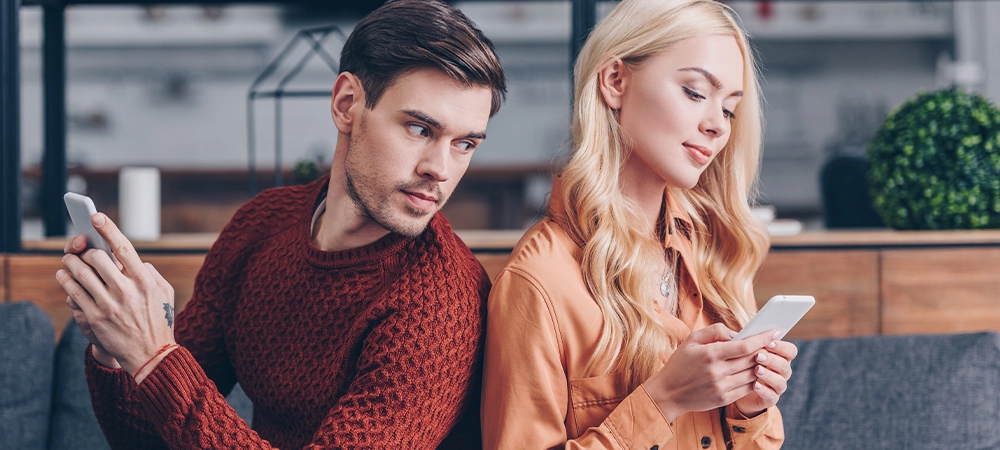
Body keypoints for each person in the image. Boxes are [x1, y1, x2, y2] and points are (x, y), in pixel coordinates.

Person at [55, 1, 506, 448]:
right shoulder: (261, 226)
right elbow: (145, 440)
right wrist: (115, 347)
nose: (440, 169)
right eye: (420, 129)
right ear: (347, 104)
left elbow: (163, 374)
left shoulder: (440, 308)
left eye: (465, 144)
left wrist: (155, 357)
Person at [481, 0, 793, 448]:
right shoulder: (538, 282)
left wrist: (749, 410)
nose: (717, 126)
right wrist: (663, 401)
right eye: (695, 92)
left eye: (729, 109)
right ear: (615, 81)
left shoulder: (715, 254)